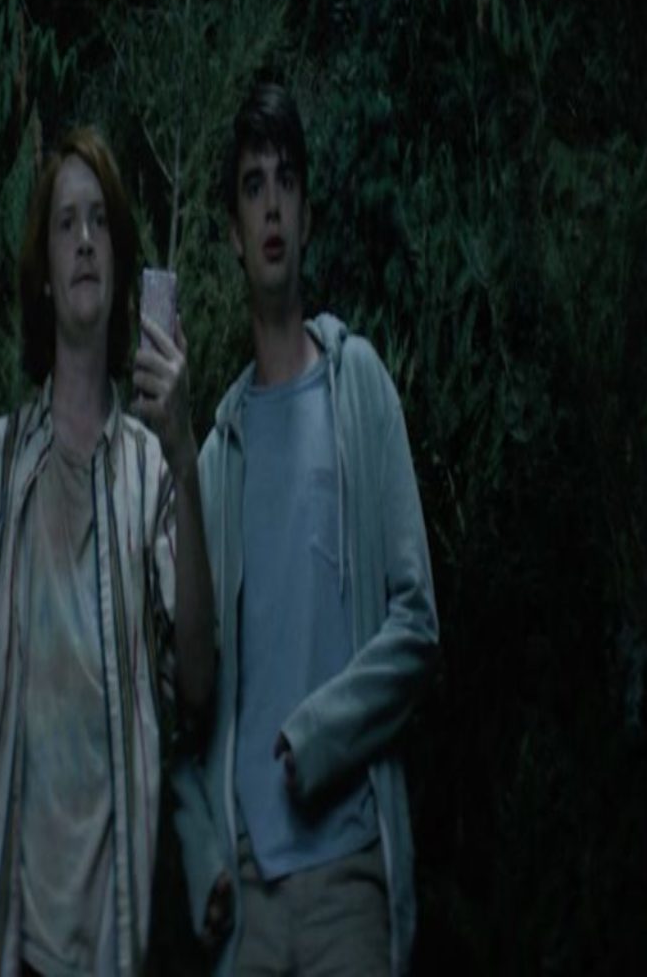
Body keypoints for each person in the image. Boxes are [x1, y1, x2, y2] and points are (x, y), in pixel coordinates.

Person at [0, 126, 214, 977]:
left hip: (112, 931)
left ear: (119, 265)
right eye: (65, 224)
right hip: (4, 930)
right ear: (45, 278)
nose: (85, 240)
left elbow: (198, 683)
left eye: (99, 222)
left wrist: (187, 459)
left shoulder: (149, 472)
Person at [173, 83, 440, 975]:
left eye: (286, 181)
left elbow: (416, 624)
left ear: (309, 214)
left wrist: (319, 735)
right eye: (253, 186)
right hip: (248, 895)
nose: (272, 205)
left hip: (348, 875)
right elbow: (184, 705)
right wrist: (204, 855)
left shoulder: (359, 386)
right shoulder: (217, 455)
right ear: (233, 230)